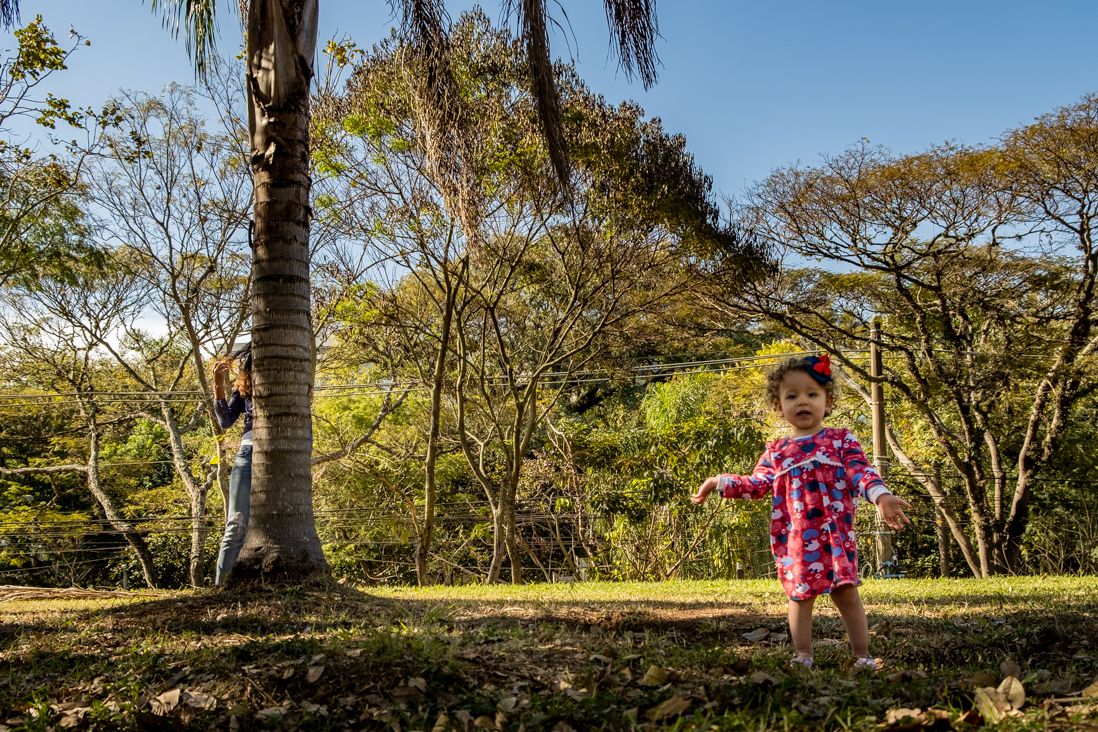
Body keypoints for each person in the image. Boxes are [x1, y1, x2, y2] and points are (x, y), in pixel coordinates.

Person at [691, 353, 911, 669]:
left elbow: (861, 472)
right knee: (800, 596)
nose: (802, 401)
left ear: (828, 401)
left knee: (846, 594)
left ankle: (862, 656)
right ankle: (803, 655)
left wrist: (881, 496)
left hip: (836, 538)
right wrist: (720, 481)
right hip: (795, 541)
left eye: (812, 394)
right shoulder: (777, 451)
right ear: (779, 407)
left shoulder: (841, 440)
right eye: (792, 396)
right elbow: (756, 484)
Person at [212, 345, 253, 586]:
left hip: (278, 457)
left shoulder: (287, 385)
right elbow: (225, 420)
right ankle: (221, 587)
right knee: (236, 525)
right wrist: (218, 382)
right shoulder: (244, 390)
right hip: (247, 454)